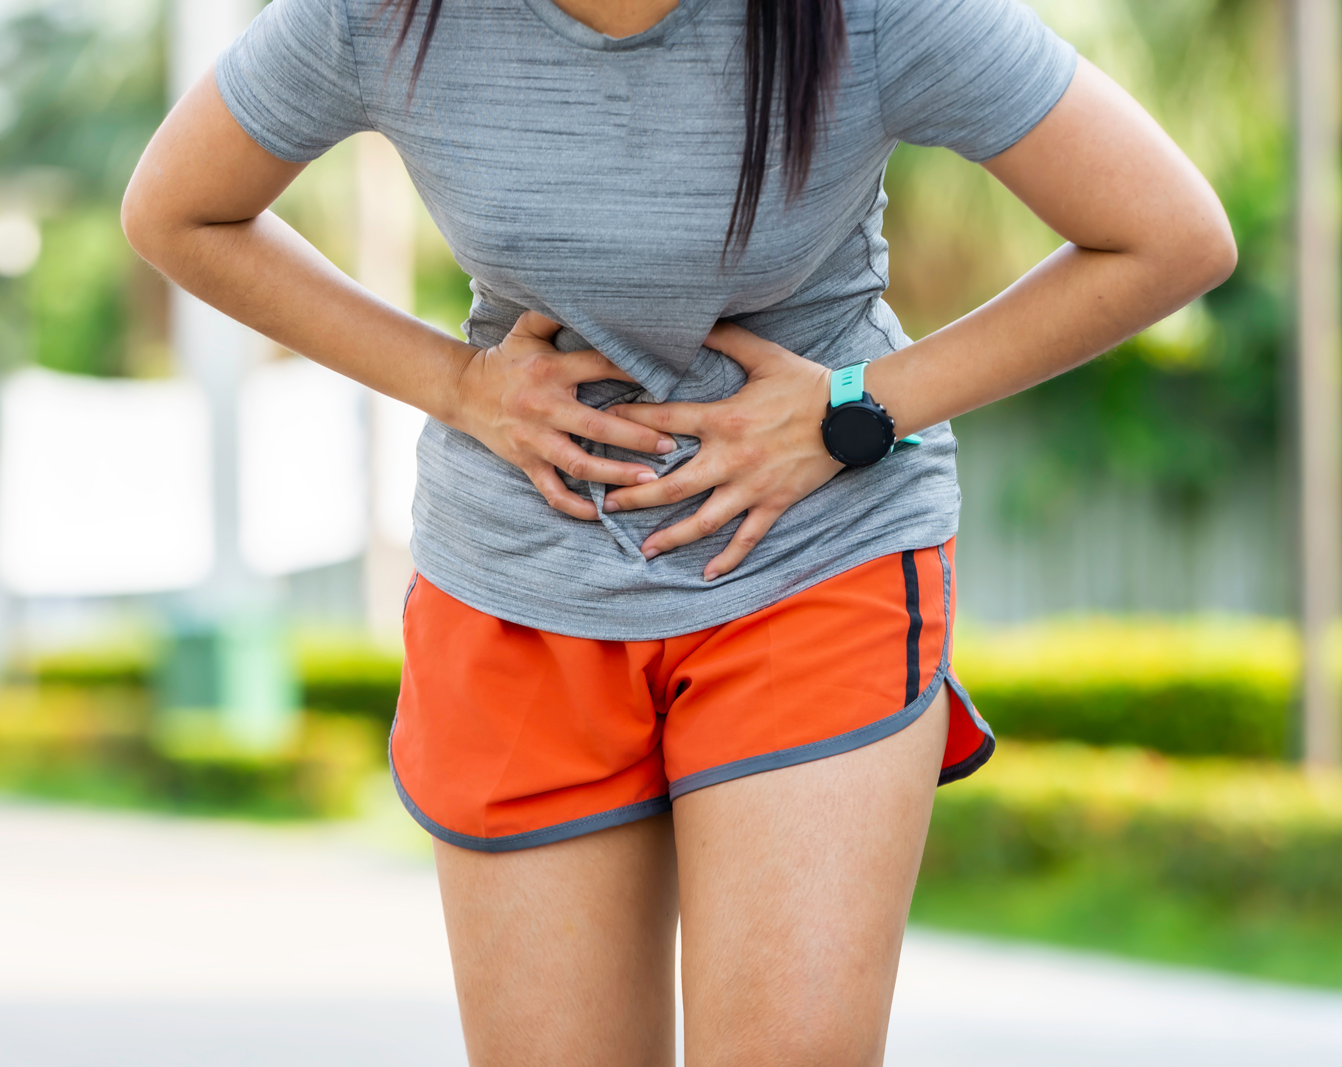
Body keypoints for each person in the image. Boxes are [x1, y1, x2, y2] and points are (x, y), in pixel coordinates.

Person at [122, 0, 1235, 1059]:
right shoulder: (385, 18)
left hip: (811, 557)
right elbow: (177, 208)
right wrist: (455, 382)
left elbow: (1166, 234)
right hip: (519, 578)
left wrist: (855, 408)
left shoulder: (869, 17)